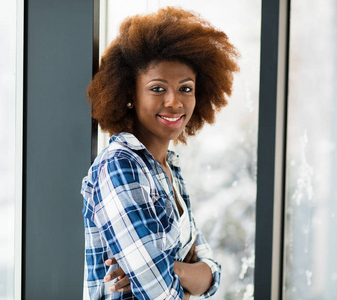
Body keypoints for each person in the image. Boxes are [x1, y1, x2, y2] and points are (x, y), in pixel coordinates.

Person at [81, 7, 238, 300]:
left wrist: (171, 270)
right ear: (130, 94)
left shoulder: (168, 168)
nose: (174, 102)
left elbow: (213, 275)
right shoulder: (120, 166)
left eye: (186, 88)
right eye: (157, 88)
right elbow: (162, 294)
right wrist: (183, 276)